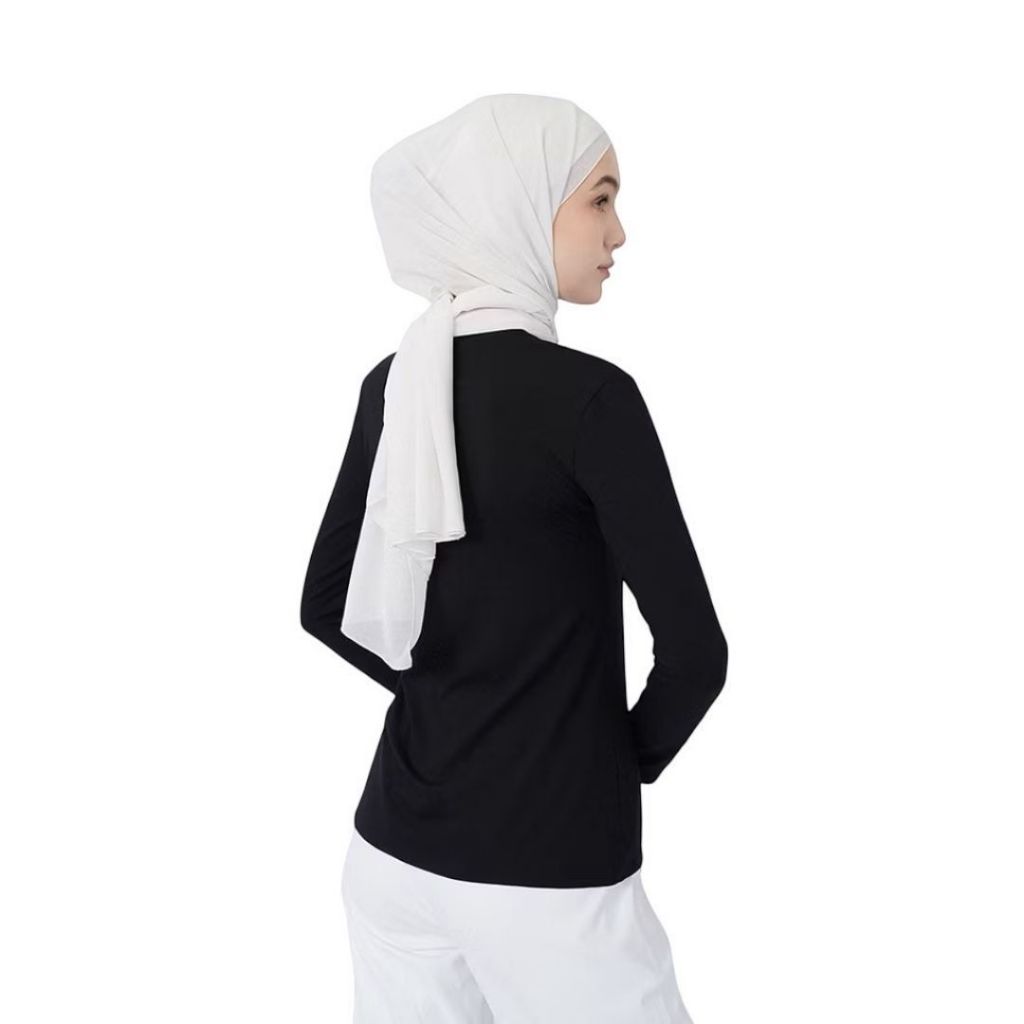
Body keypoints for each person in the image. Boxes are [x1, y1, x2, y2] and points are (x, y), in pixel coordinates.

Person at [300, 93, 728, 1023]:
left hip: (394, 855)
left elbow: (328, 606)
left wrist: (452, 701)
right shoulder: (591, 400)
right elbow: (697, 654)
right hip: (550, 877)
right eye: (600, 198)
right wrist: (598, 761)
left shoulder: (397, 382)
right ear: (519, 203)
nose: (620, 232)